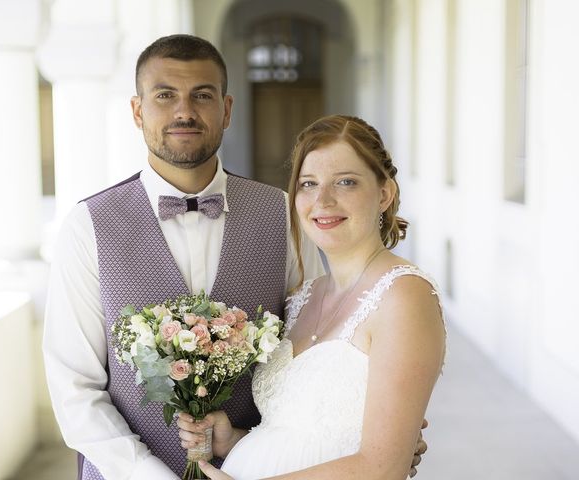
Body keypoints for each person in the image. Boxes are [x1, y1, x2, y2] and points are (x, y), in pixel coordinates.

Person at [43, 34, 426, 480]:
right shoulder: (88, 225)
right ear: (137, 110)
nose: (184, 111)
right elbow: (75, 388)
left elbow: (315, 343)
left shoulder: (282, 212)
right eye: (165, 95)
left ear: (226, 109)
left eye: (201, 96)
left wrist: (377, 432)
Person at [177, 114, 446, 480]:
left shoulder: (404, 296)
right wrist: (232, 440)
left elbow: (383, 467)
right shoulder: (301, 297)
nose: (323, 200)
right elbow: (299, 438)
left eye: (346, 182)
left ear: (385, 194)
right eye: (308, 183)